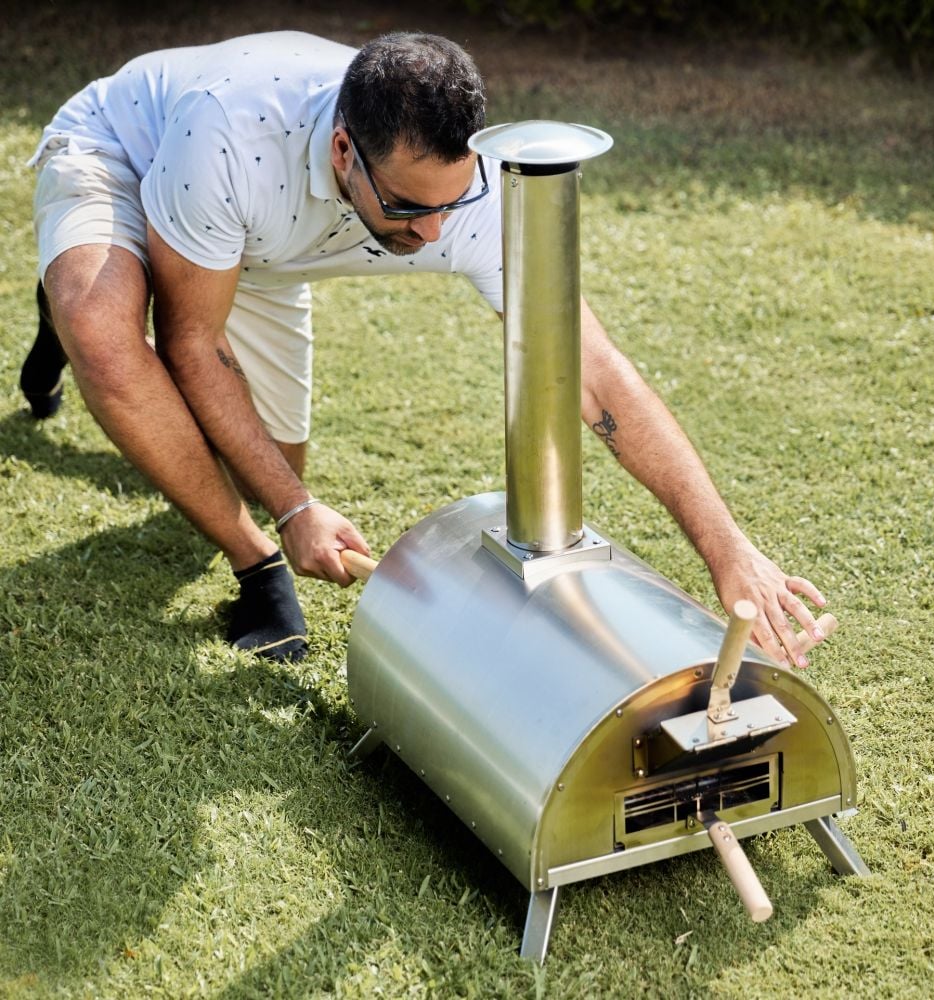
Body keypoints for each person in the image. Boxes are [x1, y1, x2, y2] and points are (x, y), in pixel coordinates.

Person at [20, 30, 828, 667]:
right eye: (410, 207)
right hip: (128, 152)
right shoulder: (229, 133)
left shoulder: (476, 190)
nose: (436, 233)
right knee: (107, 337)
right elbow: (191, 341)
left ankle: (79, 309)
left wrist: (728, 550)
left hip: (260, 242)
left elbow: (592, 373)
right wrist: (291, 519)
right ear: (345, 152)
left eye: (453, 202)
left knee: (256, 465)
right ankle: (250, 562)